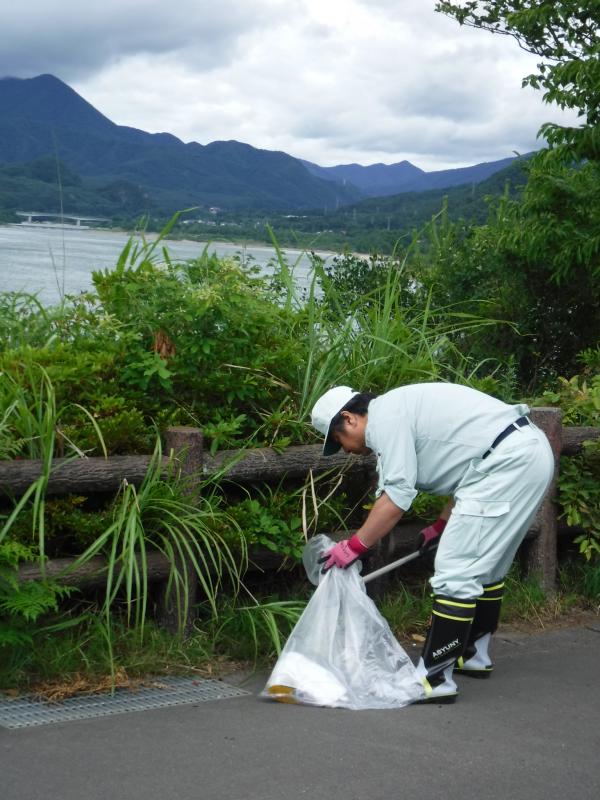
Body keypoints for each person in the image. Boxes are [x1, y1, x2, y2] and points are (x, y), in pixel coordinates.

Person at [310, 383, 554, 703]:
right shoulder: (397, 409)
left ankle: (433, 679)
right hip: (524, 455)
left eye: (338, 440)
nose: (344, 450)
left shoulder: (385, 421)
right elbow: (471, 469)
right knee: (487, 567)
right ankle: (473, 654)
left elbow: (396, 497)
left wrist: (353, 547)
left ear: (350, 418)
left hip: (507, 463)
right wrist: (441, 525)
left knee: (455, 572)